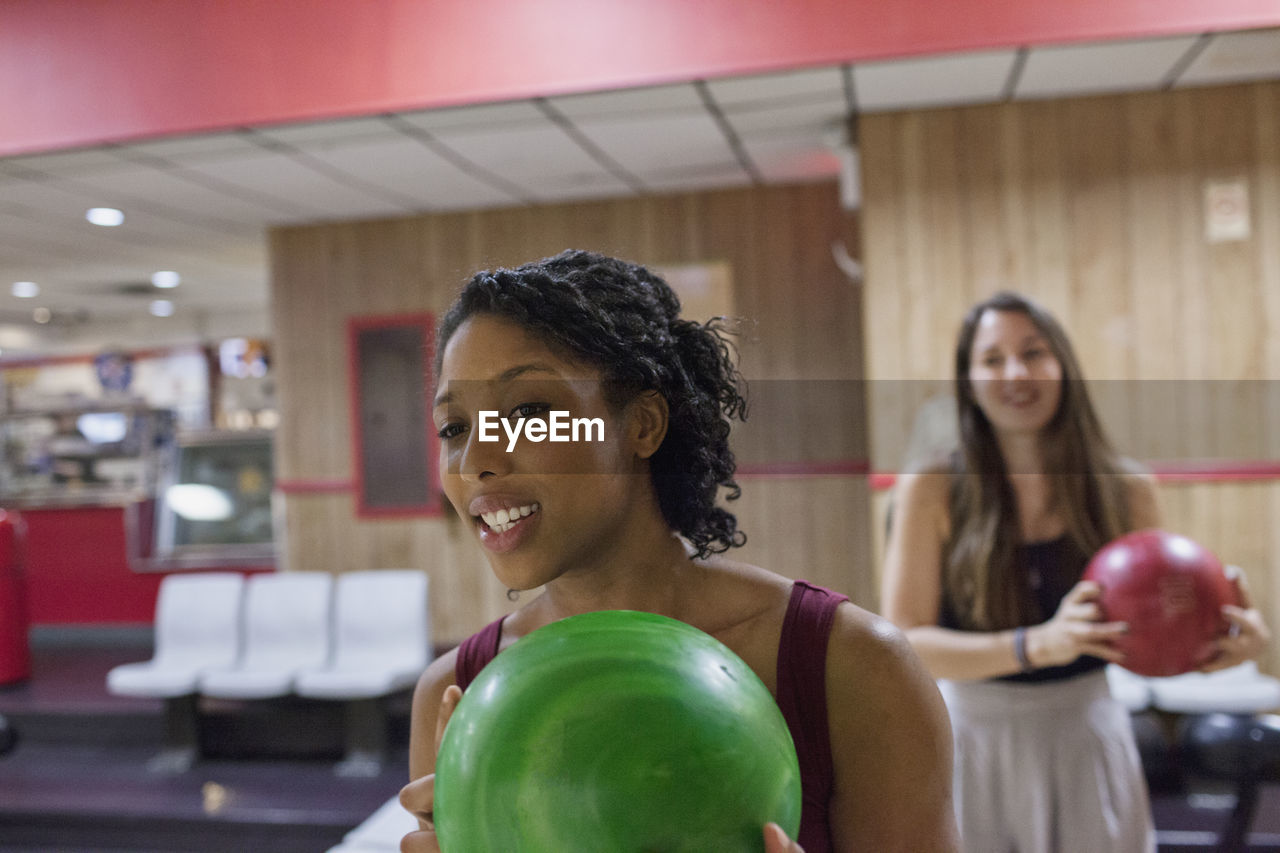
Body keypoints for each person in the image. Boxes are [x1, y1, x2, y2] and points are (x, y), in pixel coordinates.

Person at [399, 250, 958, 852]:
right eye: (454, 428)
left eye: (529, 412)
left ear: (642, 425)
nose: (478, 459)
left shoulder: (850, 667)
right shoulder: (456, 691)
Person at [881, 291, 1271, 853]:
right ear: (969, 381)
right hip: (972, 740)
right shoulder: (931, 488)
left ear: (1063, 365)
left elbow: (1152, 648)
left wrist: (1218, 648)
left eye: (1033, 352)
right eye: (992, 359)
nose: (1015, 372)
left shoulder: (1127, 490)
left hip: (1087, 736)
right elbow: (910, 645)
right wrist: (1038, 645)